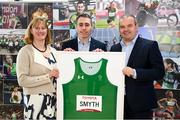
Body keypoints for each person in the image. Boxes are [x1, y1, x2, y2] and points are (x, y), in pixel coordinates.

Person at [110, 15, 165, 119]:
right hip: (118, 103)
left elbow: (159, 72)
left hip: (141, 105)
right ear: (119, 29)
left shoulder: (150, 45)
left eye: (129, 26)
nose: (125, 29)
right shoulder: (114, 48)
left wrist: (135, 73)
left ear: (136, 26)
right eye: (122, 27)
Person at [16, 12, 59, 119]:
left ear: (47, 30)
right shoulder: (25, 51)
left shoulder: (54, 51)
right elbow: (22, 80)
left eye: (43, 28)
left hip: (53, 102)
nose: (41, 31)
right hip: (34, 103)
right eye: (37, 28)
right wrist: (48, 76)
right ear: (31, 30)